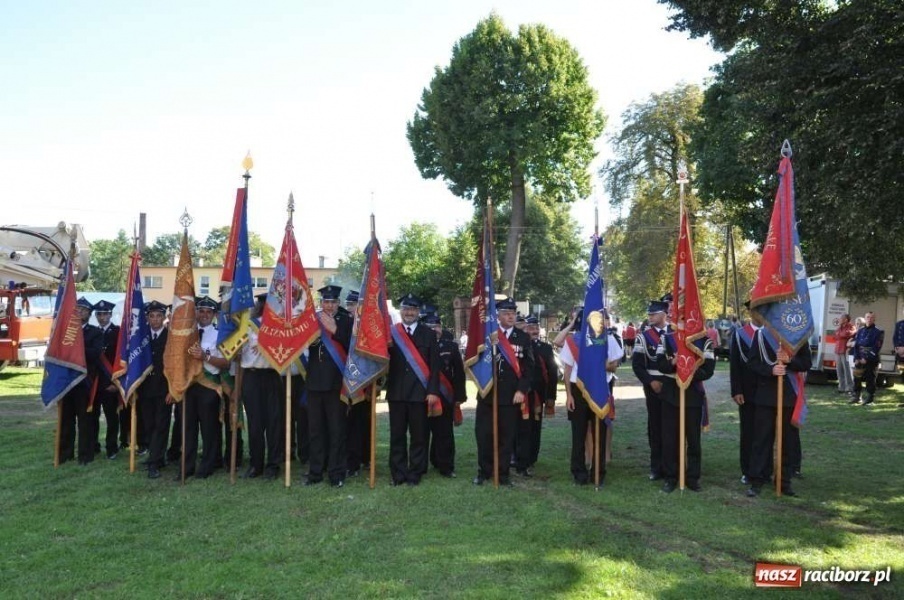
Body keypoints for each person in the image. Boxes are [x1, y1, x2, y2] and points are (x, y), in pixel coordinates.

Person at [473, 297, 534, 486]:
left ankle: (503, 473)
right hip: (488, 393)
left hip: (510, 396)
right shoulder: (488, 335)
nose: (510, 316)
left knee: (506, 437)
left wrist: (521, 390)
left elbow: (529, 369)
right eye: (506, 313)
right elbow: (475, 361)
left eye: (513, 313)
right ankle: (484, 471)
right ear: (497, 316)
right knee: (484, 435)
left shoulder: (523, 338)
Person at [560, 309, 622, 486]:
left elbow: (614, 365)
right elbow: (568, 369)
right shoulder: (574, 340)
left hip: (599, 388)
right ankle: (578, 472)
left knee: (599, 433)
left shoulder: (607, 339)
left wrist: (598, 364)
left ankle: (598, 472)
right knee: (578, 434)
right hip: (577, 390)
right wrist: (569, 395)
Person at [745, 334, 812, 497]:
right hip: (765, 396)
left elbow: (806, 363)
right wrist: (770, 370)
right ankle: (757, 480)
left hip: (789, 397)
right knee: (761, 441)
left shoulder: (799, 335)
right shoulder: (761, 335)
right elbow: (752, 363)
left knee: (788, 442)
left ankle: (784, 481)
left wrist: (790, 361)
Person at [385, 293, 441, 486]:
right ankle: (398, 474)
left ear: (418, 312)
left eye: (412, 309)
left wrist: (433, 391)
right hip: (397, 393)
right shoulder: (391, 333)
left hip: (420, 393)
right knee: (397, 435)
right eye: (405, 309)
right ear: (400, 311)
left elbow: (435, 367)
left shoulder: (429, 334)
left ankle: (415, 472)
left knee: (419, 436)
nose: (409, 312)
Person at [304, 285, 353, 488]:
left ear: (338, 303)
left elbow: (353, 345)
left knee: (336, 430)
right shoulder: (311, 320)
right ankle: (316, 472)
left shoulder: (347, 321)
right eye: (326, 302)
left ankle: (336, 473)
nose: (329, 305)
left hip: (336, 384)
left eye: (333, 302)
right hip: (315, 383)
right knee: (315, 431)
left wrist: (335, 330)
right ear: (321, 303)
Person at [175, 296, 228, 480]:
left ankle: (208, 465)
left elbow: (226, 363)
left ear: (214, 314)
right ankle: (186, 467)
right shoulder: (187, 333)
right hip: (188, 385)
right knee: (187, 428)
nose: (204, 315)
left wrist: (205, 357)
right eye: (201, 311)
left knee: (209, 429)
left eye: (208, 312)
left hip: (208, 385)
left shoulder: (219, 333)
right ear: (195, 312)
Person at [656, 331, 716, 493]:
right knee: (670, 440)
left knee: (693, 440)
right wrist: (674, 362)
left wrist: (688, 369)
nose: (682, 318)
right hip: (670, 396)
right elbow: (660, 364)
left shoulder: (705, 341)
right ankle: (671, 477)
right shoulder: (667, 338)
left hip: (693, 395)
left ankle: (692, 478)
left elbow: (708, 370)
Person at [239, 294, 285, 480]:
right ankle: (255, 464)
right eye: (265, 305)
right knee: (255, 423)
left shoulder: (281, 327)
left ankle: (273, 465)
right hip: (251, 377)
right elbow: (236, 350)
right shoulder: (247, 325)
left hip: (271, 376)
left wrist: (268, 343)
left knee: (274, 423)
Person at [59, 297, 103, 465]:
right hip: (67, 381)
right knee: (66, 419)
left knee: (85, 421)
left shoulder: (95, 332)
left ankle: (85, 455)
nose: (80, 313)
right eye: (77, 310)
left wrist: (78, 346)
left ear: (89, 314)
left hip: (85, 382)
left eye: (84, 311)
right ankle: (65, 453)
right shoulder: (66, 333)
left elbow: (95, 353)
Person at [631, 300, 672, 481]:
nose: (650, 317)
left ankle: (673, 464)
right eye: (649, 314)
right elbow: (638, 365)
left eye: (653, 314)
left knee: (672, 426)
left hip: (673, 384)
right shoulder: (643, 337)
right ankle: (656, 467)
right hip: (653, 387)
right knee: (655, 427)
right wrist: (650, 381)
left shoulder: (675, 333)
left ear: (664, 314)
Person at [424, 314, 466, 478]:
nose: (434, 330)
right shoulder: (419, 345)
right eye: (429, 327)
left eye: (437, 326)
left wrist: (459, 397)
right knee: (423, 432)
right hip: (424, 396)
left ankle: (446, 466)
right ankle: (424, 464)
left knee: (444, 433)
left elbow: (459, 374)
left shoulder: (451, 346)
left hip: (445, 396)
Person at [140, 301, 172, 479]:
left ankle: (154, 462)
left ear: (164, 317)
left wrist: (172, 390)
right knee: (149, 424)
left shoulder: (170, 337)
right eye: (151, 316)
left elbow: (174, 366)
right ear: (147, 318)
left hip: (163, 389)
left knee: (161, 425)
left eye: (159, 316)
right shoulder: (142, 337)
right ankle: (157, 456)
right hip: (145, 389)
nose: (155, 319)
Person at [522, 315, 558, 470]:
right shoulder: (519, 345)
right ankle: (518, 456)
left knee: (534, 427)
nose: (534, 330)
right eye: (531, 328)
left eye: (536, 327)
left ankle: (531, 458)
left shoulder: (545, 348)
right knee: (520, 427)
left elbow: (552, 373)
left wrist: (551, 396)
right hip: (521, 393)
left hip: (538, 394)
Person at [729, 314, 760, 485]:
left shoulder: (772, 333)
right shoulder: (741, 334)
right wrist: (737, 390)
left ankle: (763, 469)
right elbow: (734, 364)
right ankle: (747, 471)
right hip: (746, 392)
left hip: (767, 391)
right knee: (748, 432)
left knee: (765, 434)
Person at [93, 299, 123, 460]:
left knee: (112, 418)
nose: (102, 317)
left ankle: (112, 447)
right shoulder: (93, 332)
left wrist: (116, 383)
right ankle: (94, 446)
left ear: (111, 315)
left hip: (111, 382)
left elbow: (121, 360)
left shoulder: (118, 333)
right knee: (92, 416)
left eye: (105, 314)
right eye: (99, 314)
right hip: (95, 383)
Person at [851, 311, 884, 406]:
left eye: (871, 317)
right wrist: (857, 358)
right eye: (867, 317)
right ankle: (857, 396)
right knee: (857, 378)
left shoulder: (878, 332)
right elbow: (856, 345)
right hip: (859, 358)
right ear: (865, 319)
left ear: (874, 319)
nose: (869, 319)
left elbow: (877, 347)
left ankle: (870, 398)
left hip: (871, 360)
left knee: (870, 379)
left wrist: (866, 358)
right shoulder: (860, 330)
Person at [833, 313, 856, 396]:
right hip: (837, 351)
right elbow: (835, 336)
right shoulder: (840, 327)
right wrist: (840, 334)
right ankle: (841, 388)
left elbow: (847, 334)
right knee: (839, 370)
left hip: (845, 351)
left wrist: (840, 334)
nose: (839, 319)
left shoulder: (851, 326)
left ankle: (849, 388)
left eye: (841, 318)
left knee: (847, 371)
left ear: (846, 319)